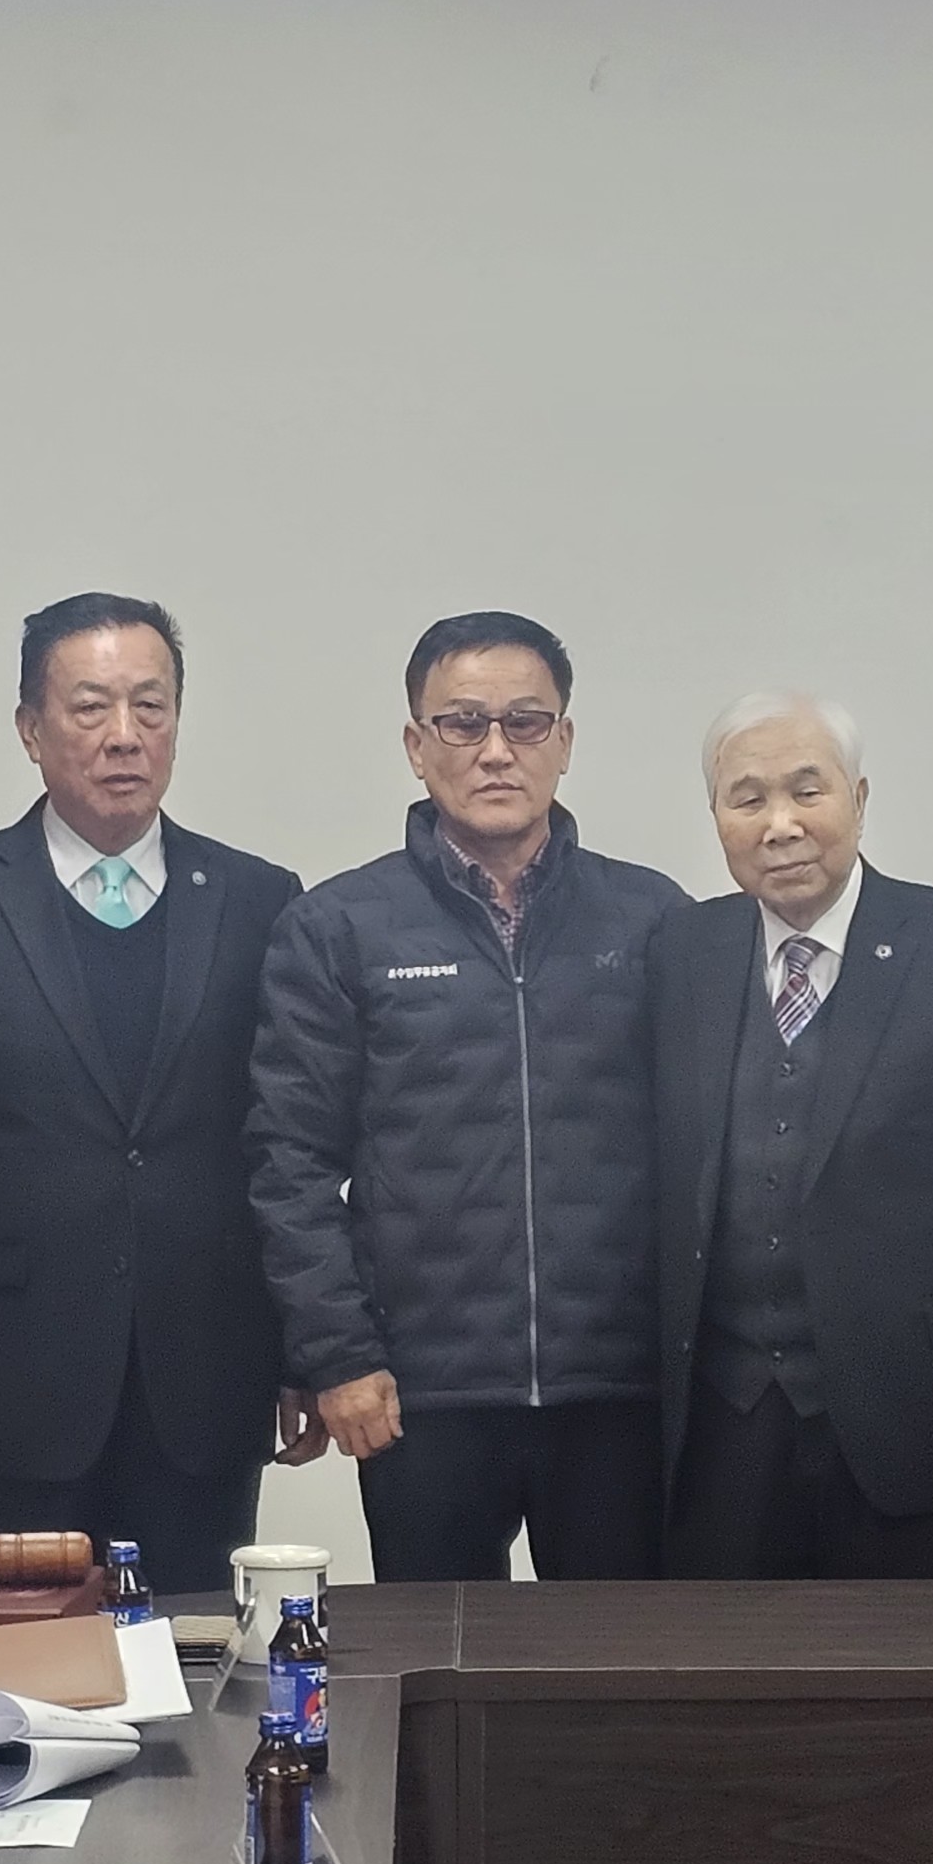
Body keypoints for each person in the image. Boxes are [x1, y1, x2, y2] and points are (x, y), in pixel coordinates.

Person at [0, 594, 316, 1600]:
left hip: (208, 1367)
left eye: (149, 706)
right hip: (17, 1372)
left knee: (198, 1656)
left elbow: (284, 1144)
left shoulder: (260, 899)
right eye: (90, 707)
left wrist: (300, 1349)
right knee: (26, 1661)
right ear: (30, 729)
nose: (125, 735)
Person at [248, 611, 688, 1582]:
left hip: (620, 1389)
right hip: (418, 1393)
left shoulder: (653, 919)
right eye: (462, 723)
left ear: (564, 741)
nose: (496, 750)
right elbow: (290, 1165)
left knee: (619, 1656)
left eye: (526, 722)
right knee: (437, 1663)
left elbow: (707, 1151)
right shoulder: (338, 927)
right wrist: (339, 1355)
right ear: (416, 747)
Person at [649, 694, 933, 1580]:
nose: (781, 825)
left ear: (860, 799)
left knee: (909, 1664)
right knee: (721, 1663)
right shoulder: (681, 953)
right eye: (748, 798)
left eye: (808, 791)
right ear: (717, 816)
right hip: (723, 1424)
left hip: (917, 1421)